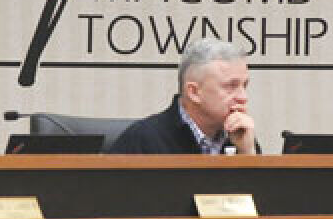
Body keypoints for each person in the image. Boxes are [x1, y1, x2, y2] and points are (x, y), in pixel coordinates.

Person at [109, 38, 258, 154]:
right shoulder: (143, 140)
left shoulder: (241, 137)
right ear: (194, 92)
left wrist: (248, 153)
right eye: (230, 86)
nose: (243, 97)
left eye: (244, 86)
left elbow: (261, 193)